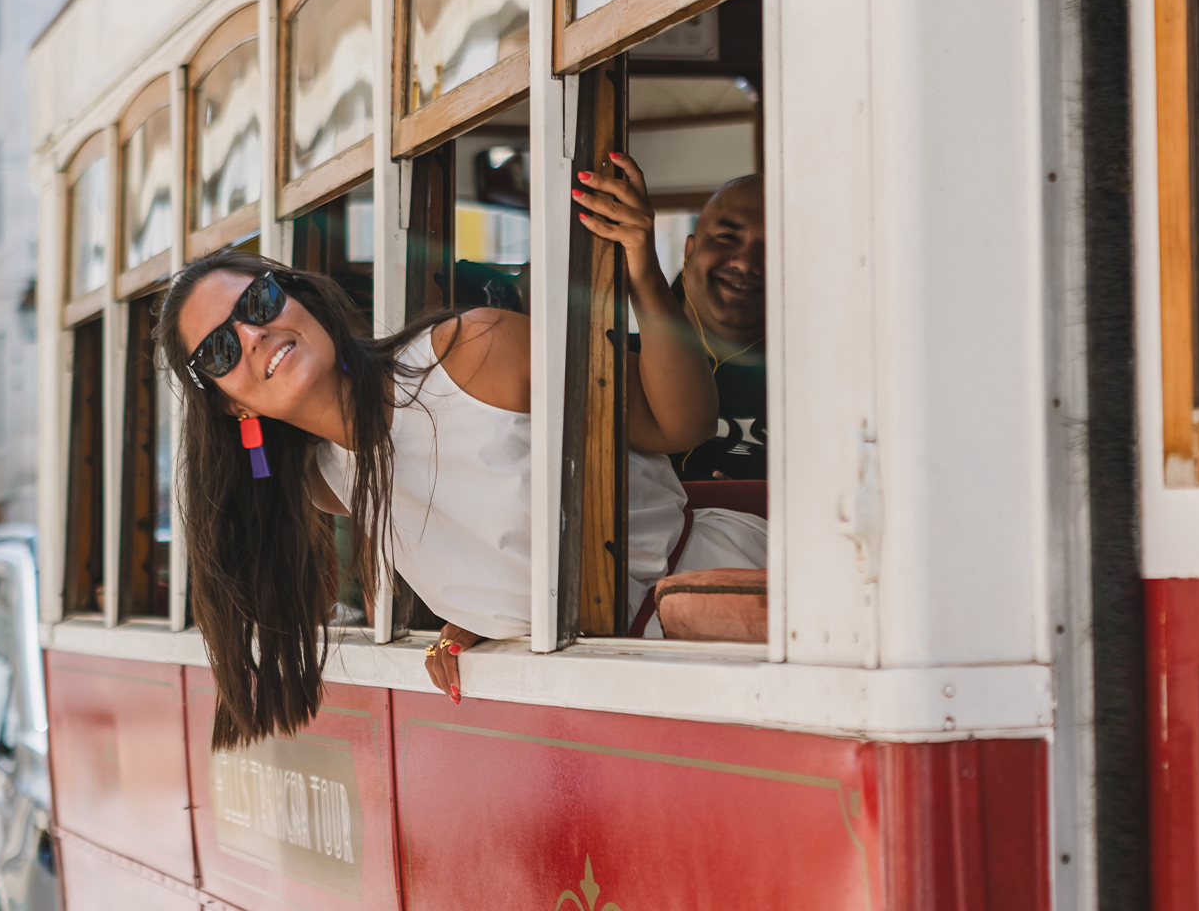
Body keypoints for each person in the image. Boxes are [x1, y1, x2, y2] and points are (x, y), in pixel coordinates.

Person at [156, 154, 761, 749]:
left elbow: (683, 426)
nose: (253, 335)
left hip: (727, 625)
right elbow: (494, 534)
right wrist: (484, 615)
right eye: (219, 352)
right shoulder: (328, 481)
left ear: (298, 299)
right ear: (232, 405)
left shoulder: (473, 351)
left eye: (256, 304)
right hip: (615, 699)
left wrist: (641, 268)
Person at [666, 173, 766, 481]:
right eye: (727, 237)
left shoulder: (825, 390)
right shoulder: (613, 362)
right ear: (689, 252)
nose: (746, 263)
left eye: (776, 246)